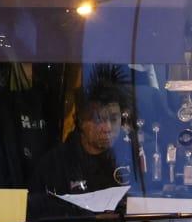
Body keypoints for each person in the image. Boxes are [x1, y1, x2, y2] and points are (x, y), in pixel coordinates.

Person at [29, 79, 131, 211]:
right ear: (80, 120)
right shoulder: (54, 166)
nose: (107, 128)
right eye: (98, 119)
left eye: (114, 119)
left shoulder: (131, 158)